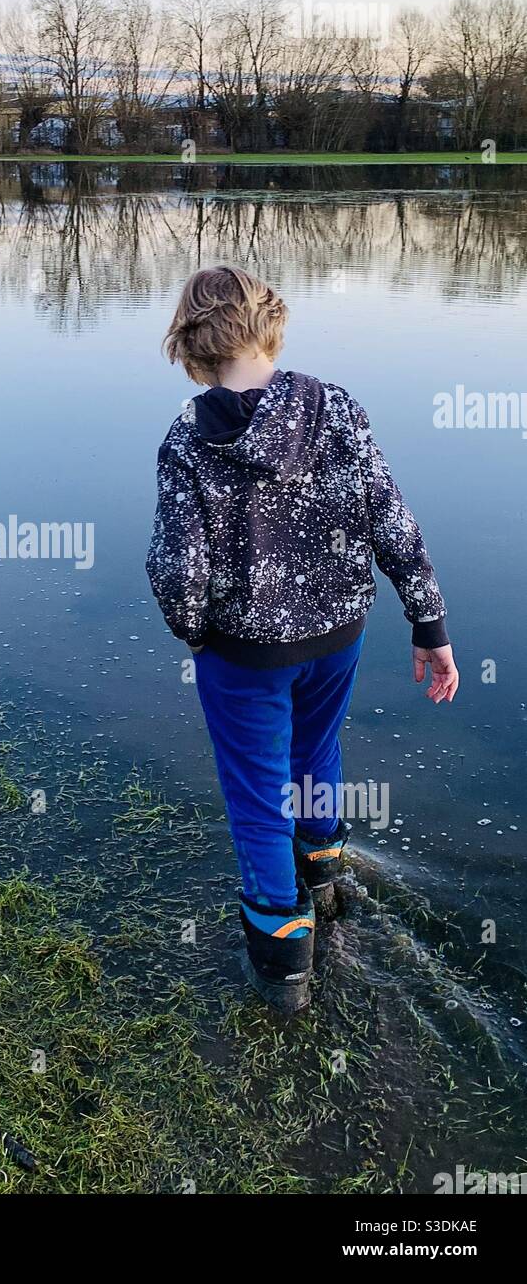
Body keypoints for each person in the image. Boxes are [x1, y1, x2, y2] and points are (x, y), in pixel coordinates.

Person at [146, 265, 459, 1013]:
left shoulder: (191, 437)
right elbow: (391, 517)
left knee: (257, 797)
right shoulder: (336, 407)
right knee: (316, 754)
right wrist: (430, 624)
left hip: (244, 652)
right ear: (269, 323)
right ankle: (322, 875)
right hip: (338, 634)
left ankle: (284, 973)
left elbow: (176, 568)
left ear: (192, 342)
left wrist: (194, 634)